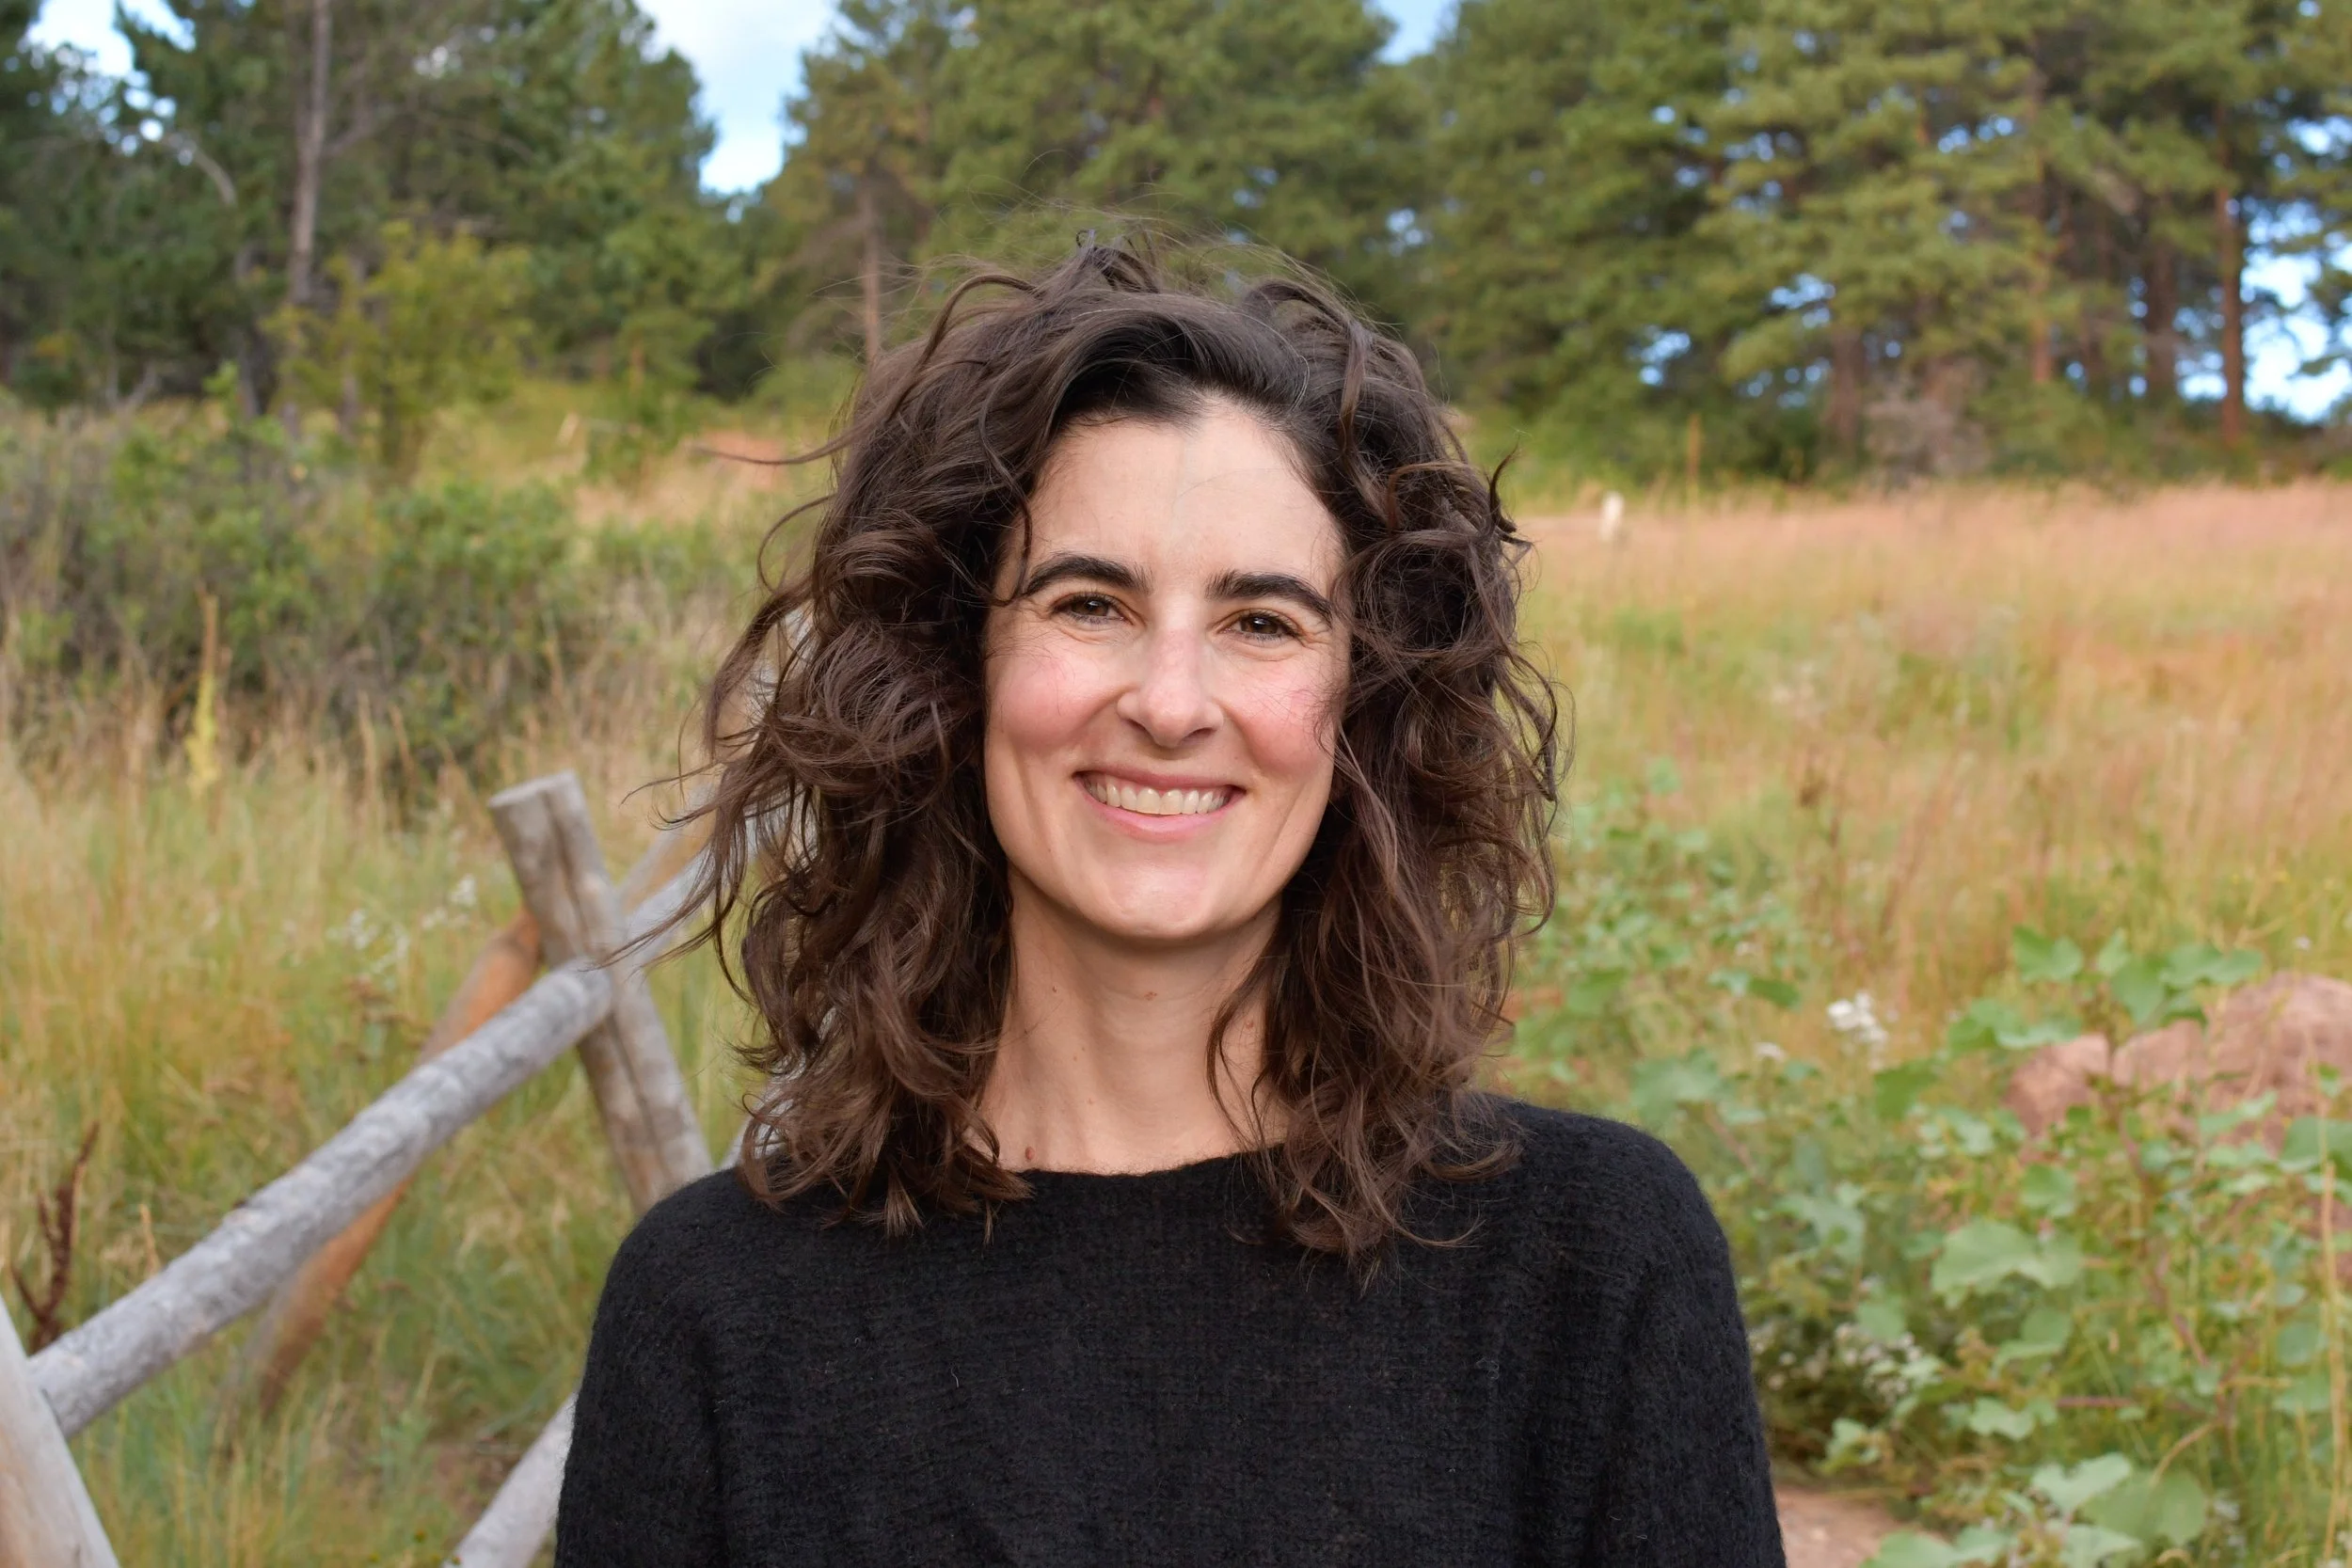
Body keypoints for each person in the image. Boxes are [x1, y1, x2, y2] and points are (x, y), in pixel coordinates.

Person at [554, 245, 1784, 1566]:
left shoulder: (1588, 1267)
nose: (1171, 702)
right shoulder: (714, 1312)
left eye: (1263, 622)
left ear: (1365, 711)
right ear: (953, 673)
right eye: (1090, 603)